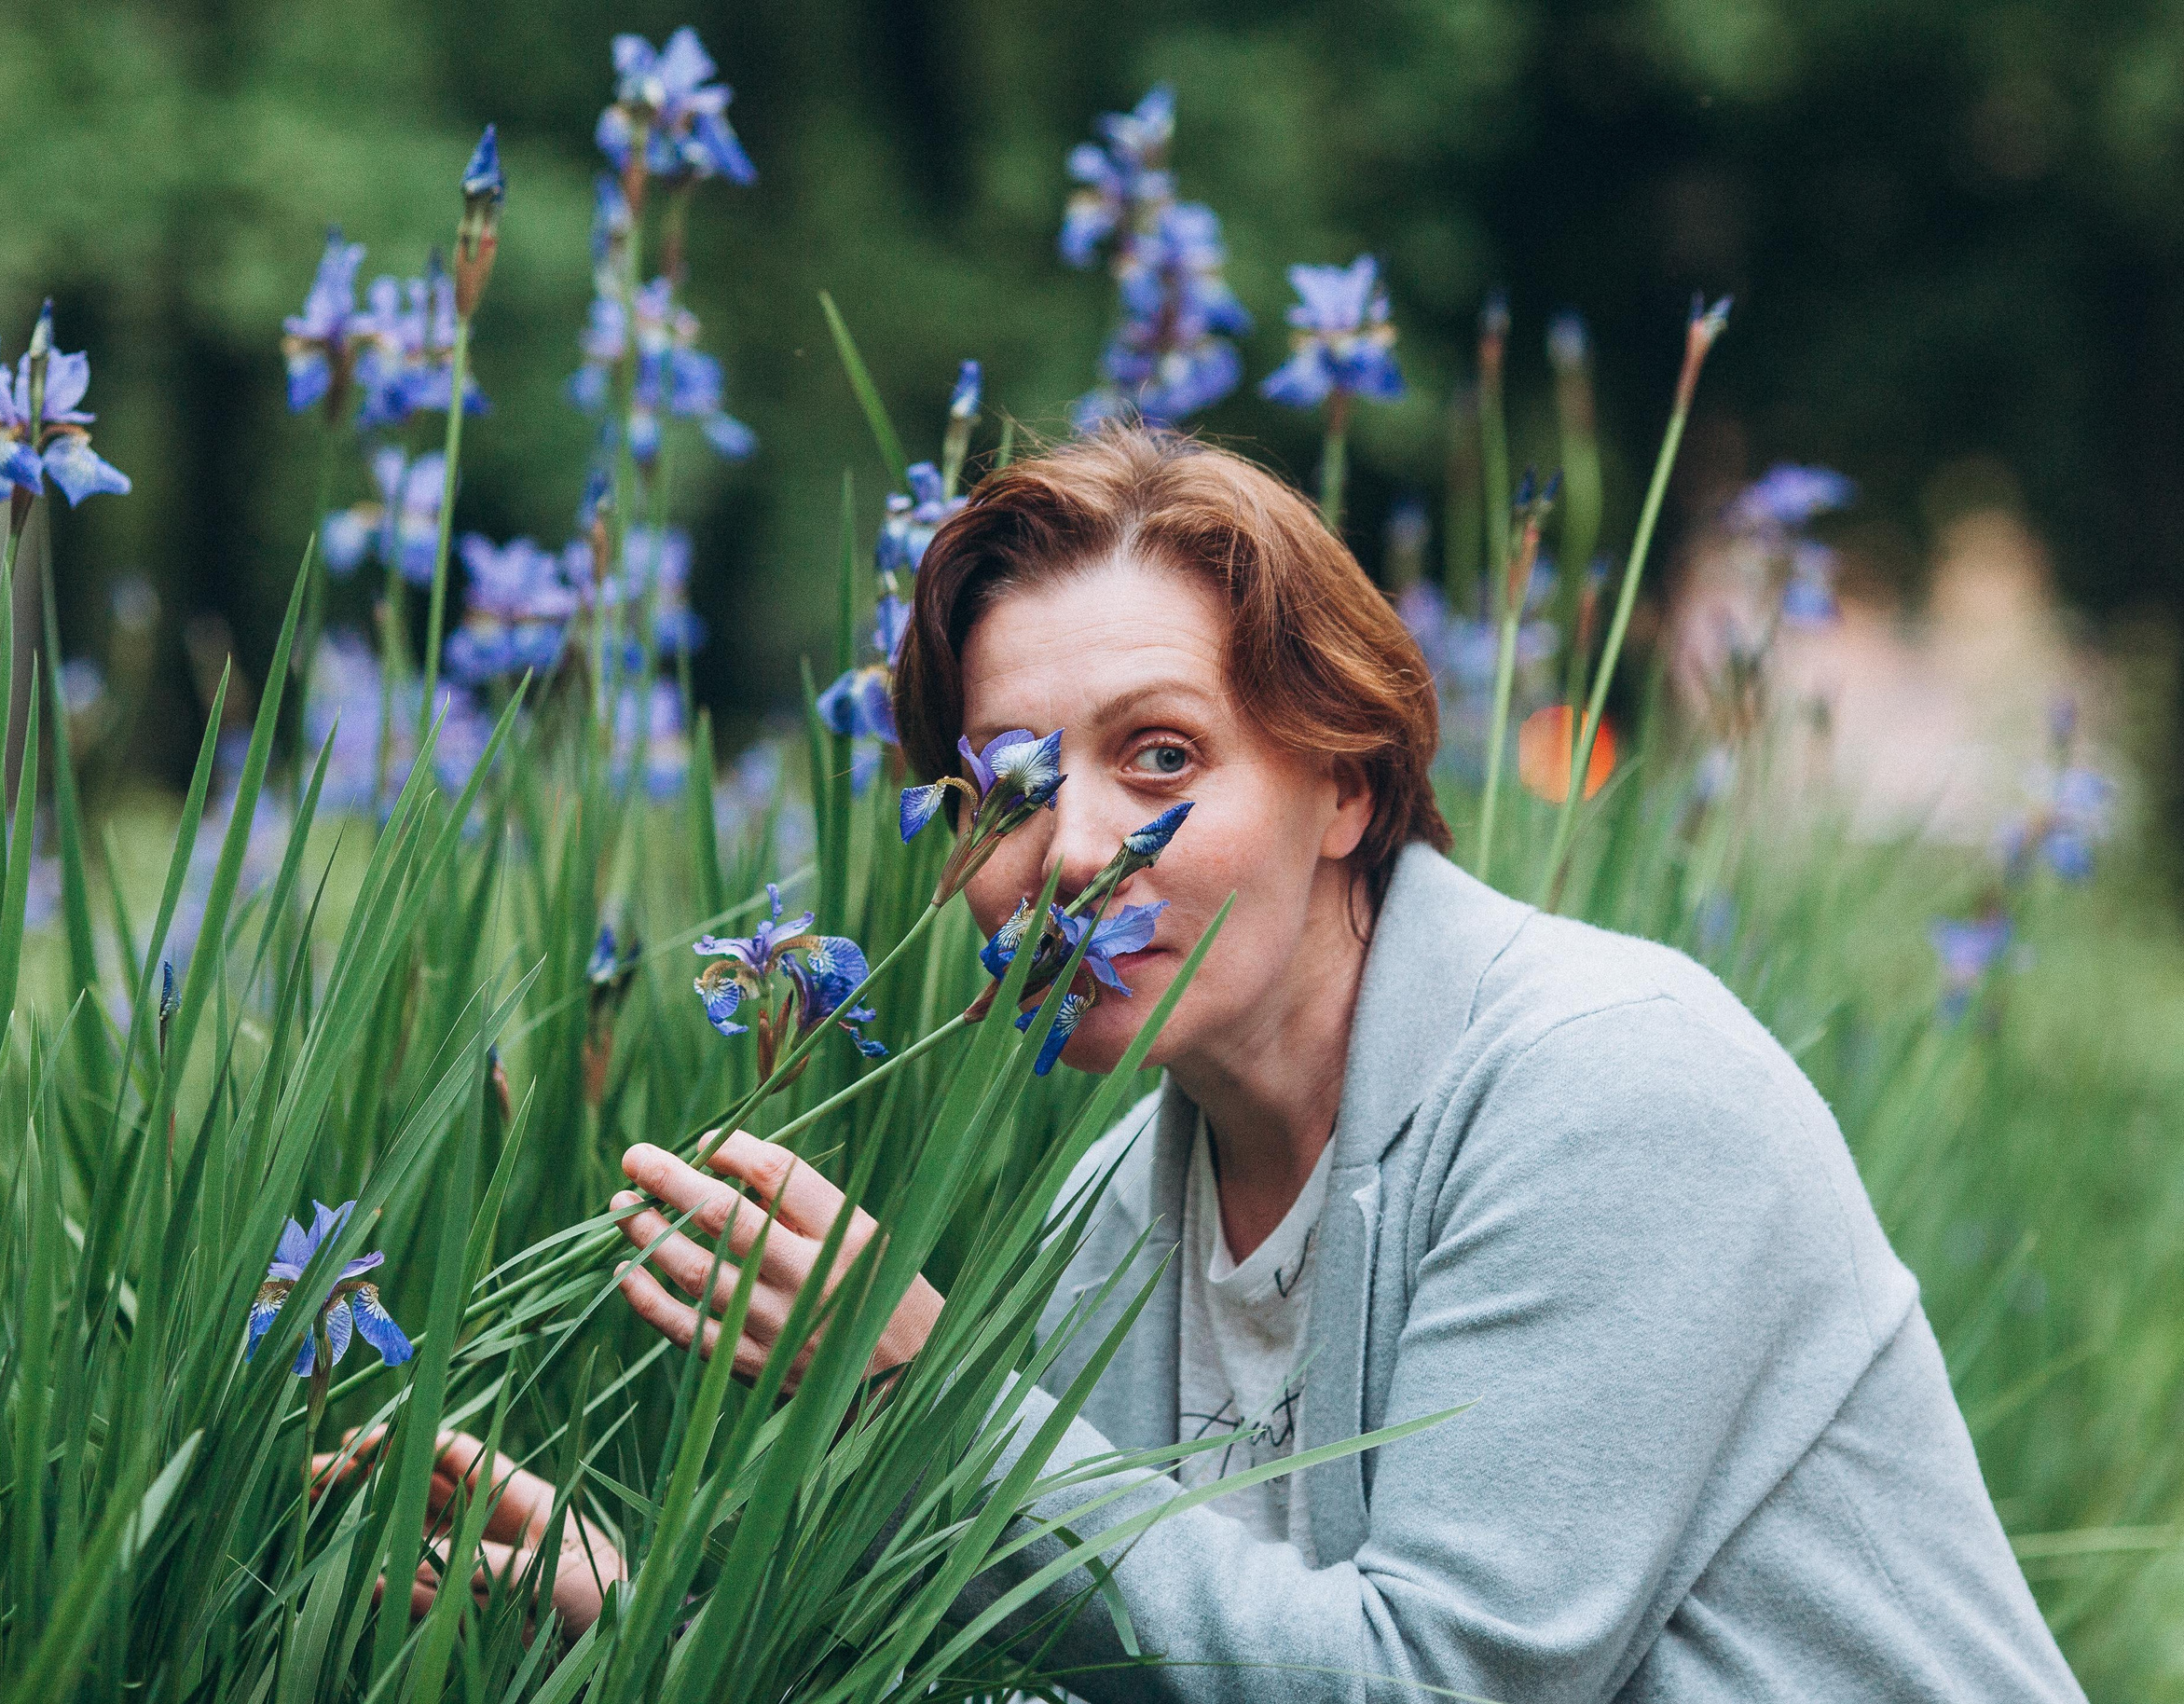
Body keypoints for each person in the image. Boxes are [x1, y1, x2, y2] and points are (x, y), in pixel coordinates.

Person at [402, 427, 2085, 1700]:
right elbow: (1100, 1664)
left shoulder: (1612, 1090)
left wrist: (920, 1393)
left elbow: (1432, 1683)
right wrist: (642, 1619)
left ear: (1344, 781)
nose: (1065, 849)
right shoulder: (1115, 1213)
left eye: (1159, 756)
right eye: (1002, 783)